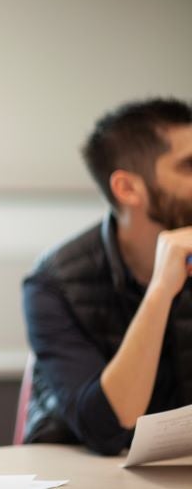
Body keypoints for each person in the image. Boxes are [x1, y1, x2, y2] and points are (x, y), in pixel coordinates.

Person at [22, 98, 192, 455]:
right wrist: (161, 290)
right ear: (128, 188)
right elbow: (108, 426)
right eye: (189, 166)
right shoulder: (53, 284)